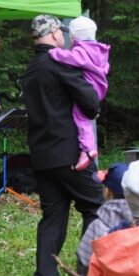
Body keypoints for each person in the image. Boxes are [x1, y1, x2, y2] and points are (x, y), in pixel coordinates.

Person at [20, 15, 104, 276]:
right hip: (70, 153)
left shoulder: (31, 69)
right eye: (61, 33)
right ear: (55, 33)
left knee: (52, 217)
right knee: (95, 209)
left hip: (42, 156)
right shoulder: (60, 62)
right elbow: (90, 102)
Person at [49, 15, 111, 172]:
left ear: (74, 36)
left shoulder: (82, 51)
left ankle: (88, 148)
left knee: (80, 116)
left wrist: (54, 52)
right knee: (84, 117)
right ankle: (87, 147)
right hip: (97, 87)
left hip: (89, 88)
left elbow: (70, 58)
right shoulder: (98, 50)